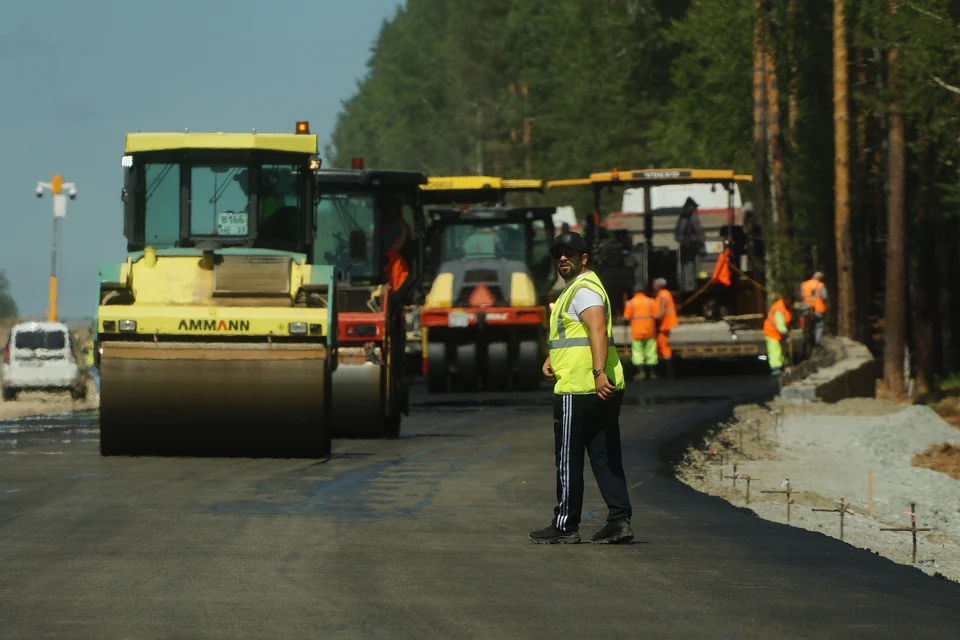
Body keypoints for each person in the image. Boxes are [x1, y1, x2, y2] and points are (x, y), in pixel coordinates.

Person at [529, 231, 633, 545]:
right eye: (558, 253)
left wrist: (598, 372)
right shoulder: (579, 288)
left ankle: (565, 524)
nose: (563, 258)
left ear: (583, 258)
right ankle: (619, 520)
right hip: (597, 386)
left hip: (581, 388)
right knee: (604, 456)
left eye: (570, 253)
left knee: (568, 458)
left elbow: (597, 329)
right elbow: (575, 335)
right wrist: (552, 358)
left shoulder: (583, 290)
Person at [624, 284, 658, 380]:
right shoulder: (651, 301)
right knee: (651, 352)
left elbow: (626, 317)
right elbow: (656, 315)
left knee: (638, 352)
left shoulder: (630, 303)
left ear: (634, 293)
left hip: (637, 332)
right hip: (650, 331)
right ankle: (652, 373)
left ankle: (641, 373)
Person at [382, 196, 414, 293]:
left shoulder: (395, 227)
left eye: (389, 208)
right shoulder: (396, 225)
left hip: (392, 263)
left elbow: (383, 245)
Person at [674, 197, 706, 294]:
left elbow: (677, 236)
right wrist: (700, 240)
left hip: (685, 248)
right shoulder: (693, 217)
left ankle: (688, 288)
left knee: (686, 272)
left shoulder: (681, 217)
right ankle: (693, 289)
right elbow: (699, 233)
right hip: (693, 249)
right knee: (696, 272)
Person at [763, 291, 795, 377]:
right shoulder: (779, 309)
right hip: (771, 332)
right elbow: (780, 325)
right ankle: (775, 369)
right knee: (775, 351)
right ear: (786, 300)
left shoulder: (787, 307)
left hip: (778, 333)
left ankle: (781, 367)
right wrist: (786, 336)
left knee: (782, 350)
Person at [653, 277, 678, 378]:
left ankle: (669, 370)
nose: (653, 285)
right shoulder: (664, 294)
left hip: (664, 324)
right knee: (660, 344)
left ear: (658, 285)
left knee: (663, 345)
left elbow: (661, 311)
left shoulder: (663, 295)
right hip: (665, 323)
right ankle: (666, 369)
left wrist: (654, 319)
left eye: (654, 284)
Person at [800, 272, 828, 346]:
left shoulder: (804, 284)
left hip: (806, 308)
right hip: (818, 309)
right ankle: (817, 342)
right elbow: (824, 296)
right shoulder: (820, 285)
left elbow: (802, 296)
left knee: (807, 325)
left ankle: (806, 340)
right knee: (819, 326)